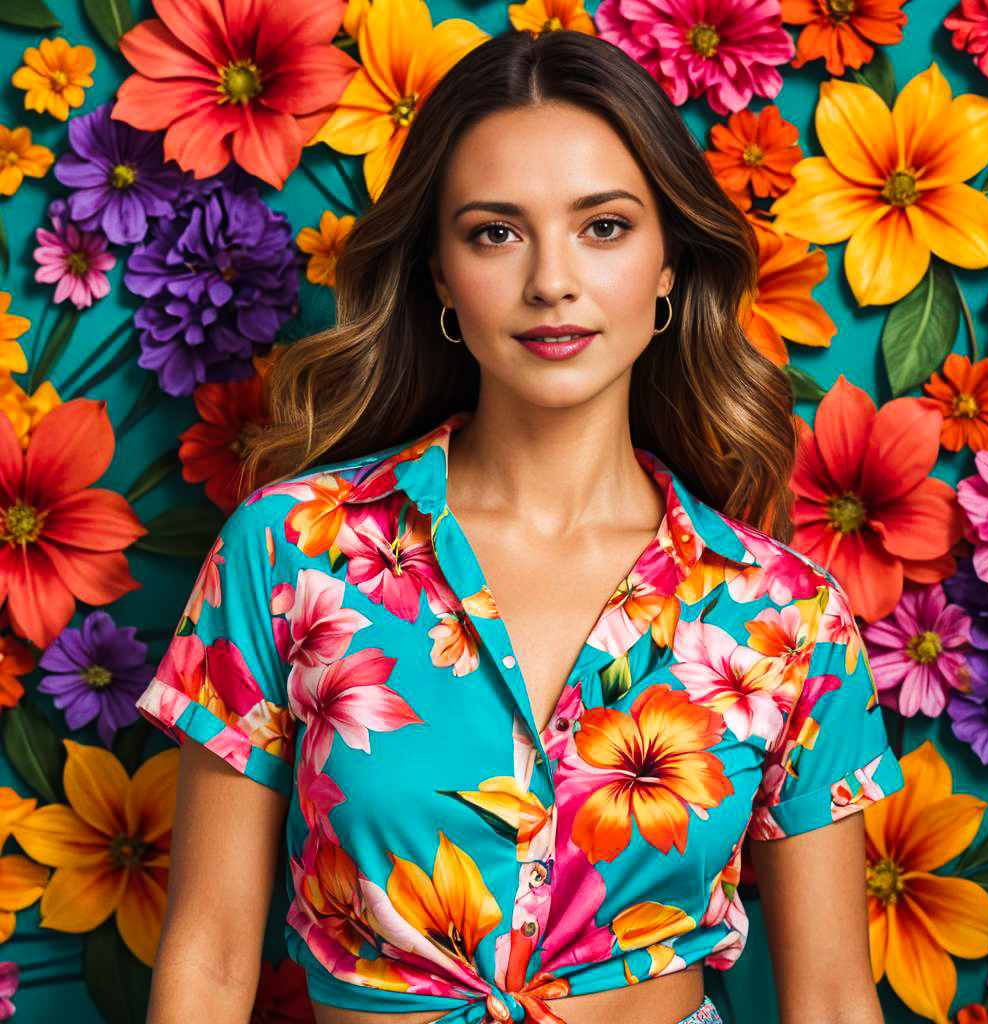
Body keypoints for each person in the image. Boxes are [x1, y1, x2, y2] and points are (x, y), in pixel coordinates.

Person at [135, 27, 904, 1024]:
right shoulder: (289, 552)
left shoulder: (784, 615)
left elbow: (834, 1001)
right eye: (496, 231)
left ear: (671, 262)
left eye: (605, 227)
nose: (551, 280)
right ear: (440, 276)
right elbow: (209, 956)